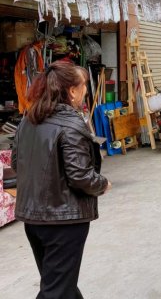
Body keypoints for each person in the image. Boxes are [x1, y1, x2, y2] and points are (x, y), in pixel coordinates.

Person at [11, 60, 111, 299]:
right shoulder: (71, 124)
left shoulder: (28, 120)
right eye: (84, 85)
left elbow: (17, 163)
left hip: (34, 219)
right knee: (56, 290)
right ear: (72, 91)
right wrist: (102, 184)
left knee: (60, 283)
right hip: (63, 220)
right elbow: (80, 175)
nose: (86, 90)